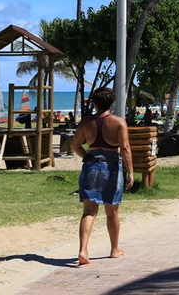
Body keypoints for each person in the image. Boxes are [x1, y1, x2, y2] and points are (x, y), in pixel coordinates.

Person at [70, 87, 134, 267]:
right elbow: (126, 148)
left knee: (89, 211)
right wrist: (130, 172)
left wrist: (88, 157)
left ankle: (83, 250)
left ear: (94, 103)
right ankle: (114, 249)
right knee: (112, 211)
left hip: (90, 166)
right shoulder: (119, 122)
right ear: (111, 103)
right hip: (112, 166)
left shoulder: (86, 122)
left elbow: (75, 145)